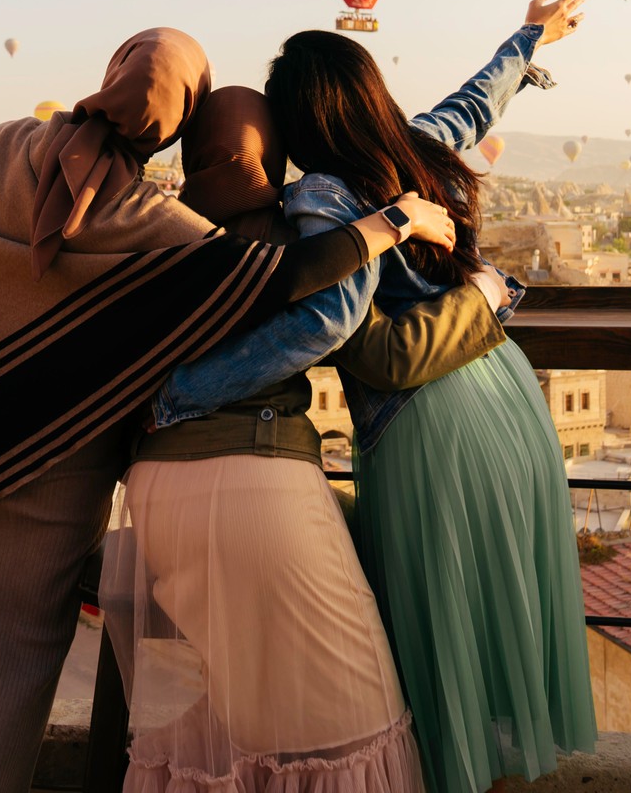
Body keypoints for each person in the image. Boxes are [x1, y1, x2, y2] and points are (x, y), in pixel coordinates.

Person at [0, 27, 456, 793]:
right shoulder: (147, 221)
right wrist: (395, 219)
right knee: (23, 651)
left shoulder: (11, 147)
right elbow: (291, 277)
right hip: (63, 462)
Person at [152, 0, 599, 793]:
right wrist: (530, 38)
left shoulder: (322, 200)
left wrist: (183, 391)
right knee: (493, 613)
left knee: (442, 642)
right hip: (506, 391)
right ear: (369, 94)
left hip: (431, 420)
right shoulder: (415, 149)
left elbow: (346, 332)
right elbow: (472, 104)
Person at [113, 87, 510, 793]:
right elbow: (329, 324)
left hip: (158, 490)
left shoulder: (150, 232)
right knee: (355, 726)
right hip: (257, 480)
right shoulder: (288, 234)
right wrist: (409, 235)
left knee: (246, 720)